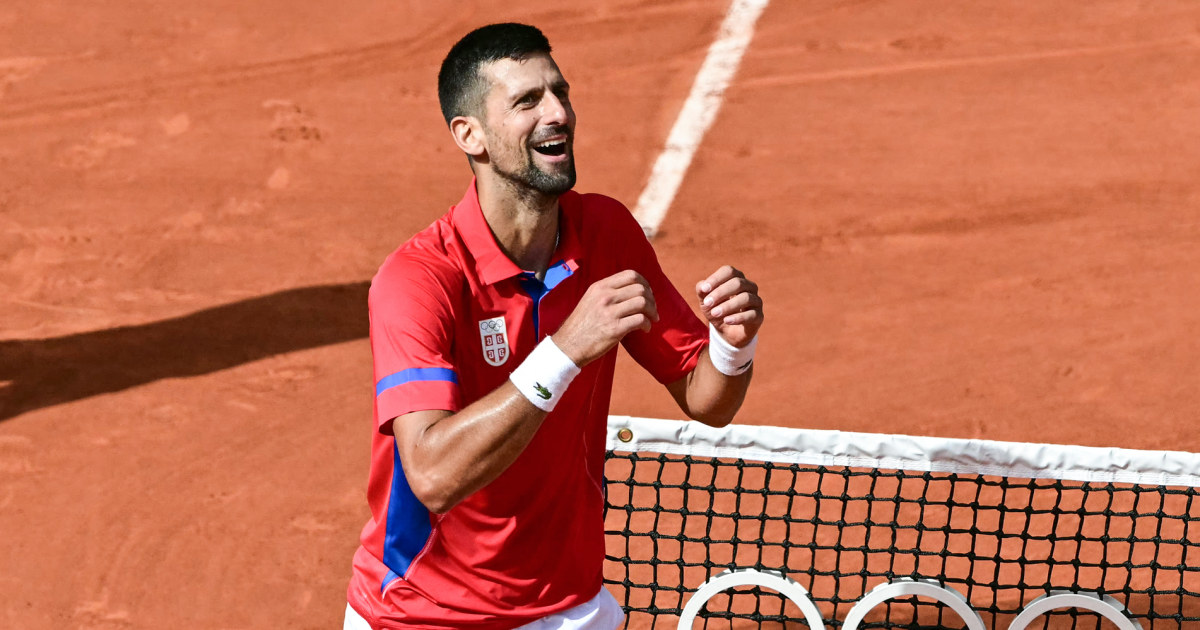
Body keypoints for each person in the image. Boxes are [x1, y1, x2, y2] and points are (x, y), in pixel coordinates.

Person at [345, 22, 764, 630]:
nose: (558, 113)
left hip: (571, 606)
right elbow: (433, 476)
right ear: (471, 135)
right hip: (425, 615)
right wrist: (565, 350)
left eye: (559, 92)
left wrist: (733, 343)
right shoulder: (418, 280)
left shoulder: (607, 232)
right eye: (527, 101)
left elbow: (707, 399)